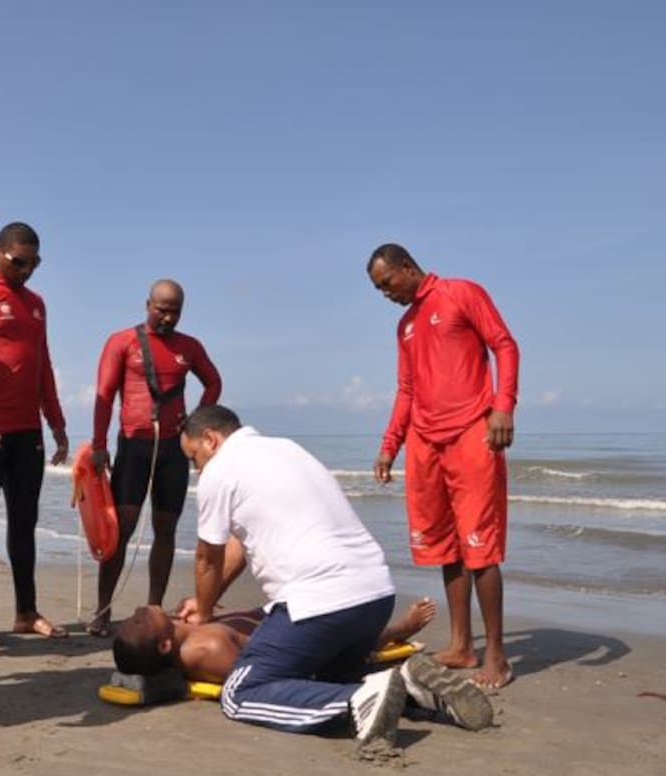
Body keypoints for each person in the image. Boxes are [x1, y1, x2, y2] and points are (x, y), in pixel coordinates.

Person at [175, 403, 485, 749]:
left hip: (321, 604)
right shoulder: (286, 449)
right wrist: (205, 599)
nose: (197, 470)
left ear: (210, 439)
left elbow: (208, 558)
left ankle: (358, 700)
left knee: (240, 692)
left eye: (194, 458)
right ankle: (414, 687)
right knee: (321, 679)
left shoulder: (219, 470)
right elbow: (237, 549)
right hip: (376, 597)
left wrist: (204, 613)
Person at [367, 243, 520, 690]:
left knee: (480, 545)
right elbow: (406, 389)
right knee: (446, 545)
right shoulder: (405, 325)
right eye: (379, 290)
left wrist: (503, 406)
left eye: (387, 284)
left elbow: (504, 345)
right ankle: (461, 645)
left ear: (407, 267)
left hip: (472, 432)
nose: (386, 294)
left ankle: (497, 657)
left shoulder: (461, 293)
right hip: (425, 441)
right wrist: (390, 444)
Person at [88, 280, 222, 635]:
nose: (167, 317)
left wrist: (195, 423)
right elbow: (104, 394)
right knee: (122, 528)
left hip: (172, 450)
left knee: (166, 528)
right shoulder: (122, 342)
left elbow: (213, 382)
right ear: (147, 305)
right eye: (161, 310)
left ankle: (154, 607)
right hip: (134, 446)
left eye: (175, 312)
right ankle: (102, 610)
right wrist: (99, 444)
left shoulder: (189, 346)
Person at [0, 222, 69, 646]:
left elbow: (42, 364)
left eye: (34, 263)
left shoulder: (36, 304)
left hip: (28, 431)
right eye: (19, 262)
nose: (26, 270)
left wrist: (56, 423)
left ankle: (26, 612)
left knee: (25, 522)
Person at [114, 599, 437, 684]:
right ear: (164, 646)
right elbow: (256, 674)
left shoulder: (178, 627)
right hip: (294, 641)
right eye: (140, 621)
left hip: (272, 616)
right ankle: (394, 632)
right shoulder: (203, 652)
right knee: (342, 637)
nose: (139, 611)